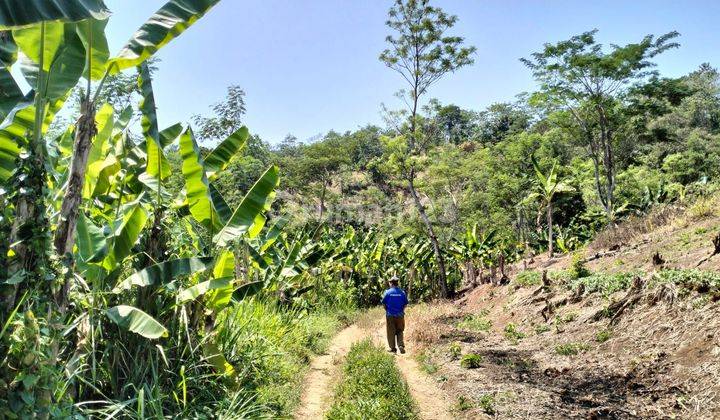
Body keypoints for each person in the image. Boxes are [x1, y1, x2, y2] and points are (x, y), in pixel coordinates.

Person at [381, 275, 408, 354]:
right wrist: (401, 310)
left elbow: (383, 303)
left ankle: (393, 348)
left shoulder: (387, 292)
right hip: (400, 315)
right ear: (397, 283)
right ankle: (401, 345)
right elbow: (405, 304)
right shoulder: (402, 292)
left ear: (391, 283)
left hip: (390, 315)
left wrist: (387, 310)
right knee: (400, 330)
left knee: (391, 332)